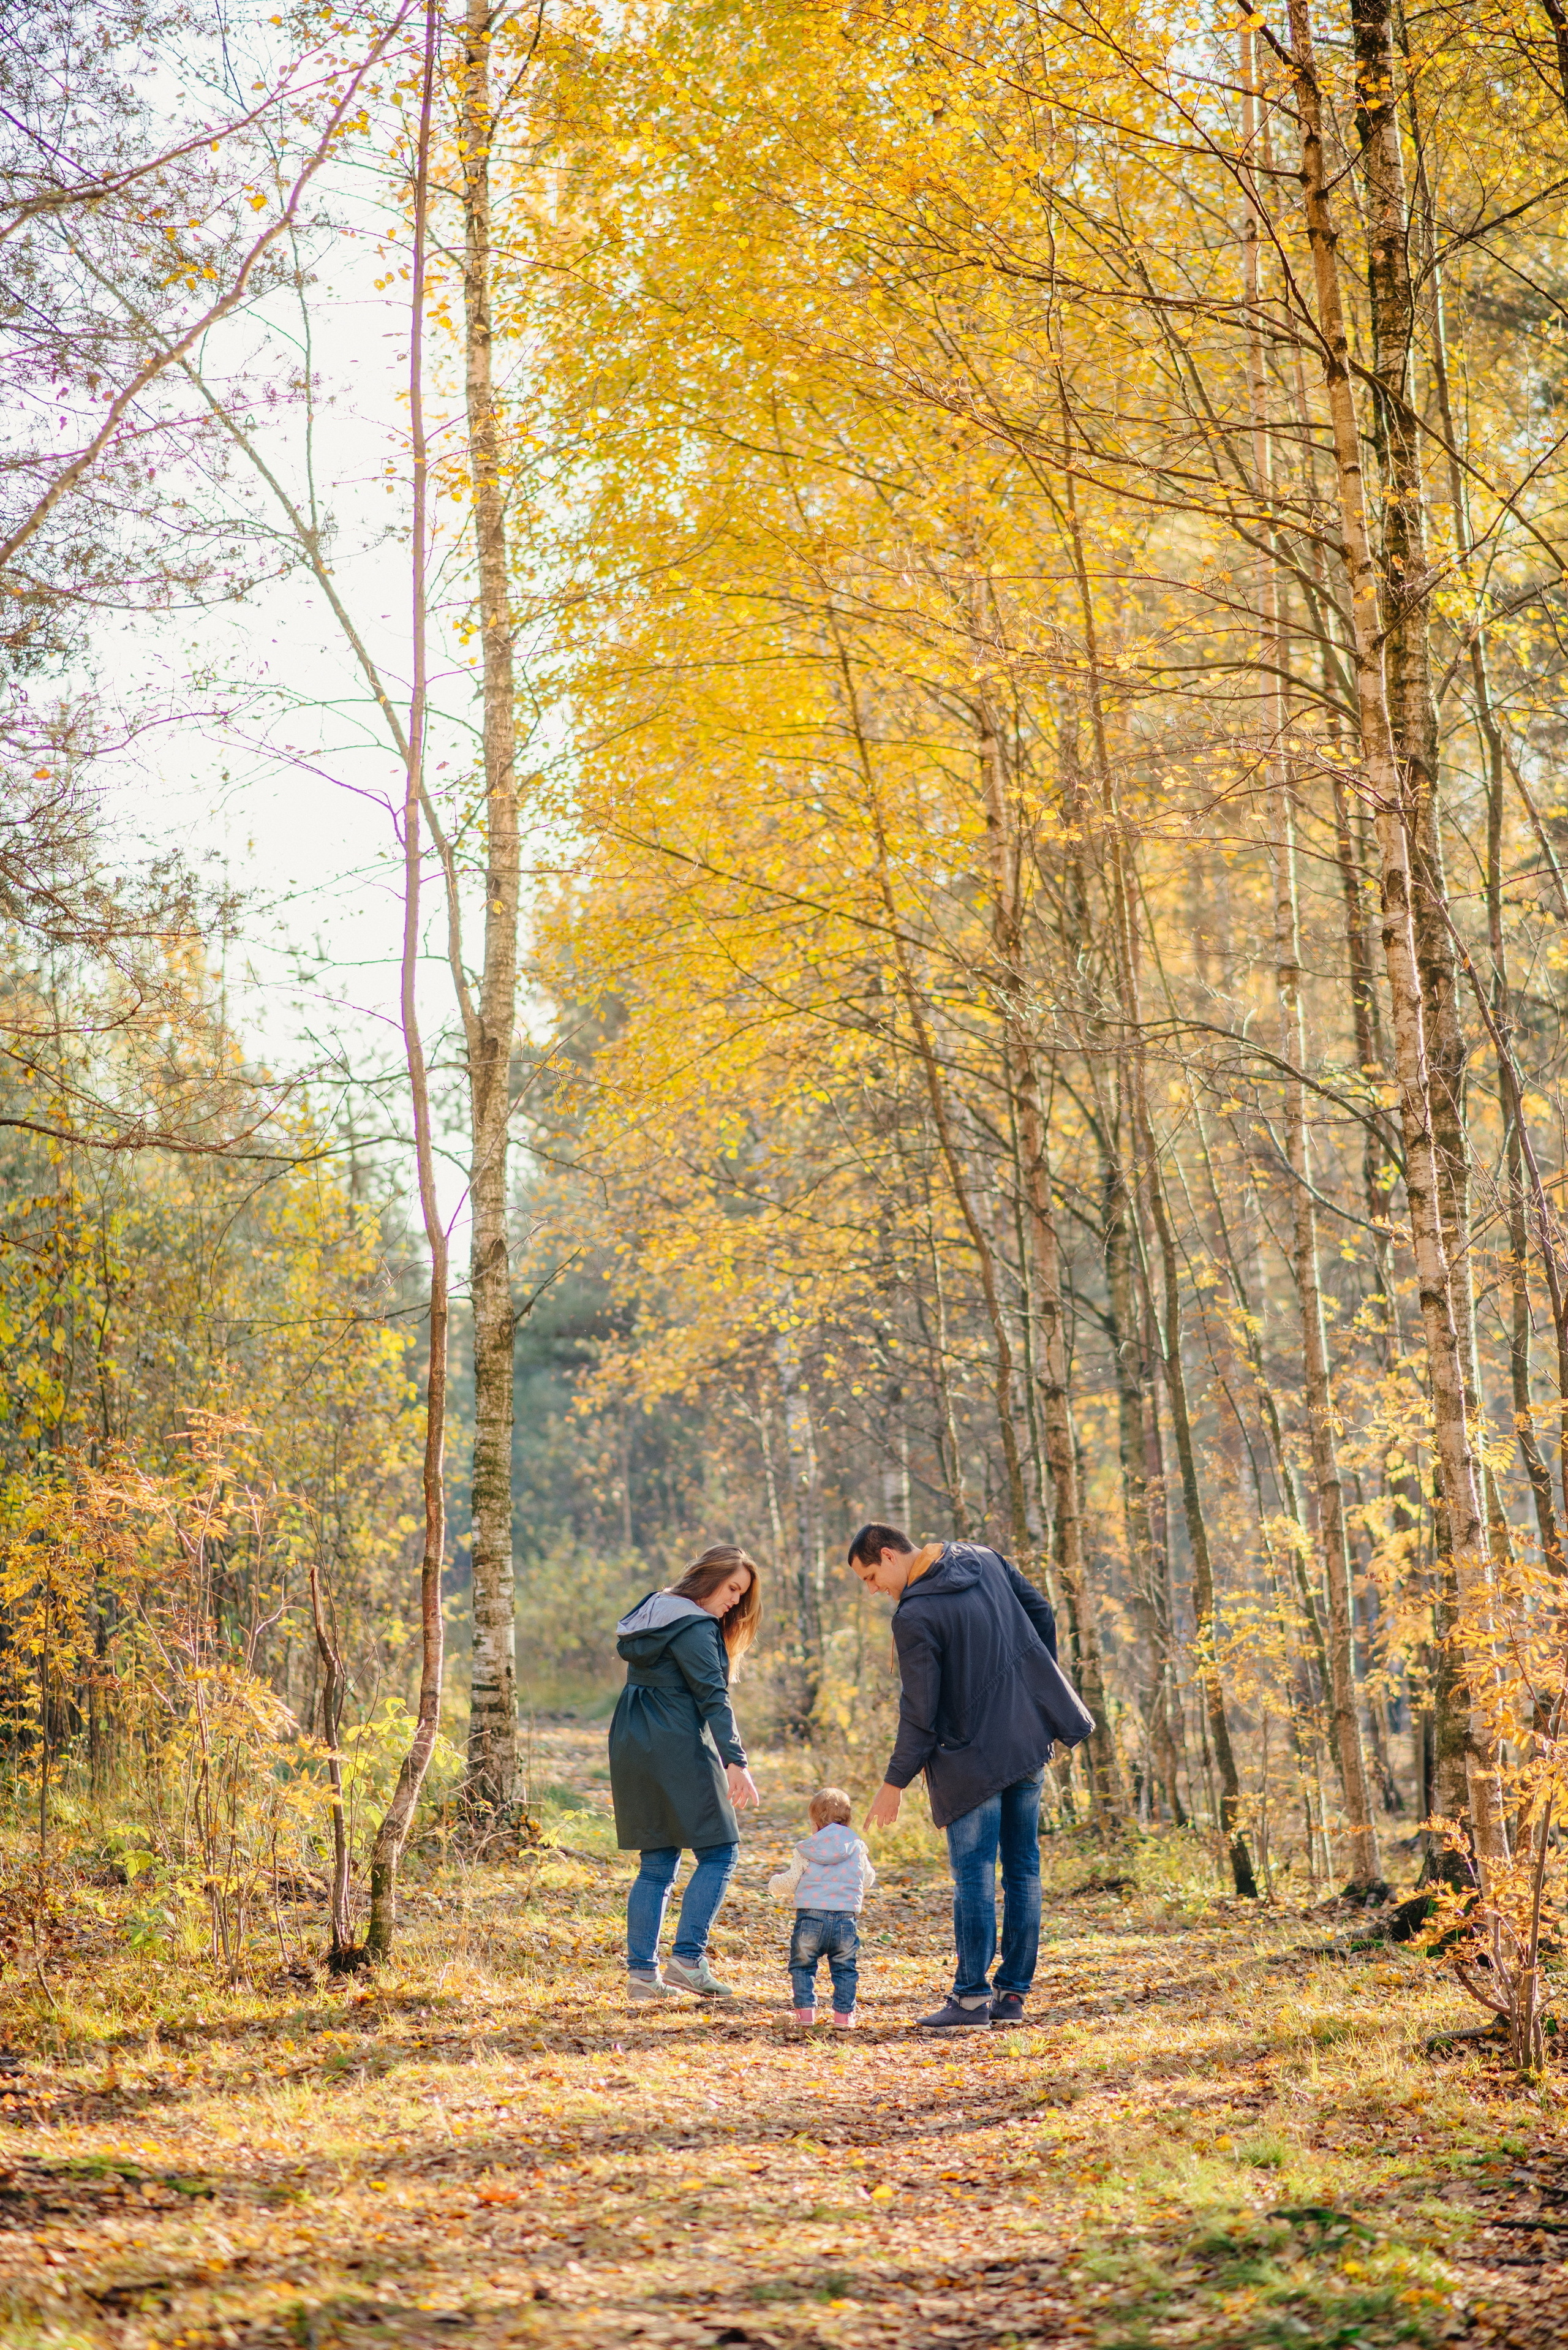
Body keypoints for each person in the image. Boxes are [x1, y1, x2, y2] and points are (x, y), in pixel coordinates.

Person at [850, 1522, 1093, 2031]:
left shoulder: (914, 1614)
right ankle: (1012, 1998)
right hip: (1027, 1740)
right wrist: (1032, 1690)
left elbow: (920, 1710)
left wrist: (894, 1783)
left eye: (871, 1577)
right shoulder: (984, 1557)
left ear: (890, 1556)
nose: (873, 1590)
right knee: (1024, 1868)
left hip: (969, 1759)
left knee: (975, 1876)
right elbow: (1042, 1613)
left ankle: (969, 2001)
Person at [609, 1544, 761, 2000]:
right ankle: (688, 1961)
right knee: (720, 1852)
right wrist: (736, 1761)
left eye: (742, 1593)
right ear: (708, 1577)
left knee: (656, 1862)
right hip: (676, 1742)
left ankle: (642, 1977)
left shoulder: (651, 1609)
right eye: (732, 1588)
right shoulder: (695, 1625)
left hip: (631, 1741)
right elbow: (713, 1698)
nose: (735, 1601)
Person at [767, 1786, 877, 2028]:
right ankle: (844, 2017)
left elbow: (791, 1881)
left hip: (810, 1919)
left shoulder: (807, 1849)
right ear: (848, 1820)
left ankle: (806, 2015)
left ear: (815, 1823)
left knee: (803, 1966)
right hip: (846, 1921)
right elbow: (868, 1879)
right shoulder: (857, 1847)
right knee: (845, 1969)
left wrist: (774, 1884)